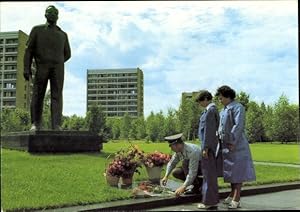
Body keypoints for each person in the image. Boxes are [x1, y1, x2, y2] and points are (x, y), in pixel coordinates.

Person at [24, 5, 71, 131]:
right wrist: (26, 68)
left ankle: (56, 124)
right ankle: (35, 123)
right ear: (45, 15)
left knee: (57, 96)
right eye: (50, 12)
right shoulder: (37, 30)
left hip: (58, 69)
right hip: (42, 66)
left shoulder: (62, 35)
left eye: (55, 12)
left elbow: (68, 54)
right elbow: (28, 50)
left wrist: (58, 61)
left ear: (58, 16)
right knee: (38, 95)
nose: (52, 14)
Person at [216, 85, 256, 209]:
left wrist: (233, 142)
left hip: (236, 145)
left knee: (237, 172)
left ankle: (236, 198)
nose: (219, 100)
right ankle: (231, 194)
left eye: (221, 97)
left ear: (228, 97)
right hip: (226, 145)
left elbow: (238, 125)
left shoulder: (238, 107)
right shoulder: (223, 110)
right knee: (230, 172)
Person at [195, 90, 220, 209]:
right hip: (209, 146)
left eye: (200, 101)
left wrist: (205, 148)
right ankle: (212, 200)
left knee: (208, 174)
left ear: (206, 98)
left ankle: (209, 202)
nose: (199, 104)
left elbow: (209, 132)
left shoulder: (210, 111)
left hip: (208, 147)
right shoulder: (210, 110)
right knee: (209, 174)